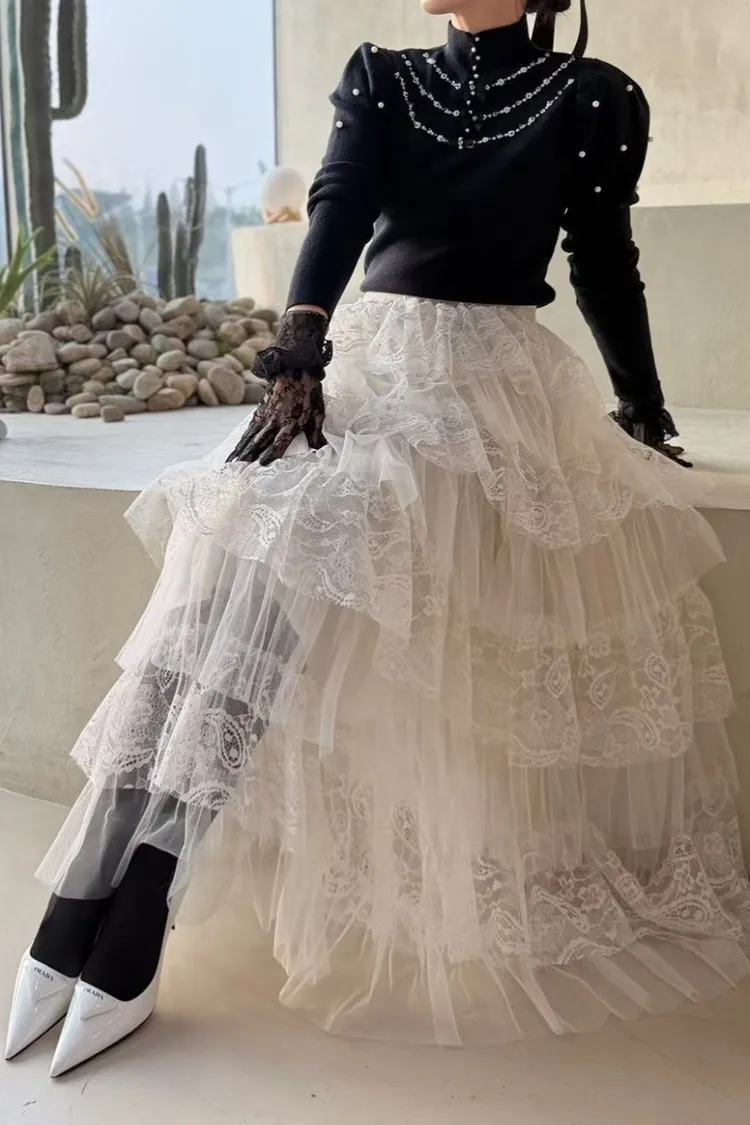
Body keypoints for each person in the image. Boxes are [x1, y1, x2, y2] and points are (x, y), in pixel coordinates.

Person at [6, 0, 750, 1076]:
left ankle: (136, 905)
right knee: (224, 571)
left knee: (297, 562)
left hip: (490, 396)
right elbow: (340, 208)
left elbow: (601, 259)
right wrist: (298, 353)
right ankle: (90, 893)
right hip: (364, 366)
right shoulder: (382, 74)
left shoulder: (595, 98)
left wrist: (643, 408)